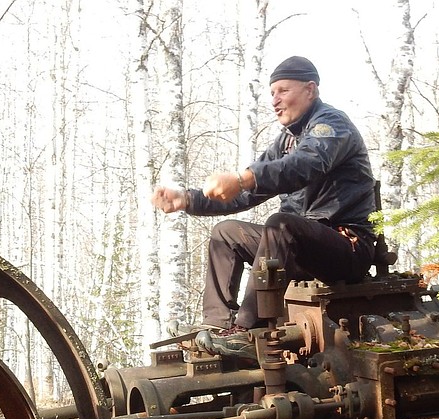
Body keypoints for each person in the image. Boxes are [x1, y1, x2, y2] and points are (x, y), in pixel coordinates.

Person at [152, 55, 377, 357]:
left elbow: (305, 164)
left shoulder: (332, 126)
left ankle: (246, 330)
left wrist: (242, 178)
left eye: (283, 90)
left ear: (310, 90)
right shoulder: (287, 139)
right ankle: (218, 325)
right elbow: (247, 193)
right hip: (303, 246)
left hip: (346, 246)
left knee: (280, 224)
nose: (275, 100)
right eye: (272, 92)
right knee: (226, 233)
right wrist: (188, 199)